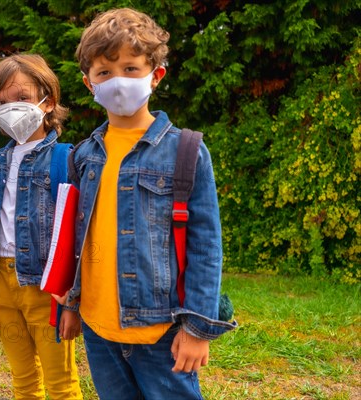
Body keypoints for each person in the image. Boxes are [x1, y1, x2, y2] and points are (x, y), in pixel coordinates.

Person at [65, 8, 237, 399]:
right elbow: (79, 237)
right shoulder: (84, 155)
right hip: (98, 329)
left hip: (161, 331)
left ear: (155, 74)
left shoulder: (187, 151)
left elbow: (206, 247)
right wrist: (73, 305)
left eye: (130, 68)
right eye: (104, 73)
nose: (118, 81)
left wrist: (197, 330)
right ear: (88, 81)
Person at [0, 54, 82, 400]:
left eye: (21, 98)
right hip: (1, 284)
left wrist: (72, 298)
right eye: (1, 102)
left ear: (47, 101)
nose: (10, 108)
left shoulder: (67, 157)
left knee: (61, 383)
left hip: (46, 287)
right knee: (22, 380)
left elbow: (76, 231)